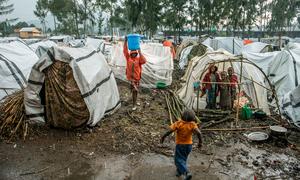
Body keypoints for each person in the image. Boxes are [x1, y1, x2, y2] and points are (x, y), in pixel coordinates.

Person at [161, 109, 203, 180]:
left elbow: (170, 131)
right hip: (189, 146)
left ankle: (186, 172)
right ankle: (179, 171)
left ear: (182, 116)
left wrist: (163, 137)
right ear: (193, 118)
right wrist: (200, 143)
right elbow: (199, 133)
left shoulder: (178, 123)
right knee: (183, 159)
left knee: (177, 160)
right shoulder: (192, 124)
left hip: (180, 145)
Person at [123, 37, 147, 110]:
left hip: (137, 78)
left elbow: (144, 61)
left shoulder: (138, 59)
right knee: (134, 90)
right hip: (131, 79)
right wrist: (125, 41)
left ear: (136, 53)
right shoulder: (128, 58)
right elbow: (125, 51)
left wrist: (140, 51)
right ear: (130, 54)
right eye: (132, 53)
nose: (133, 54)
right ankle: (134, 105)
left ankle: (135, 101)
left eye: (135, 53)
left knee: (135, 91)